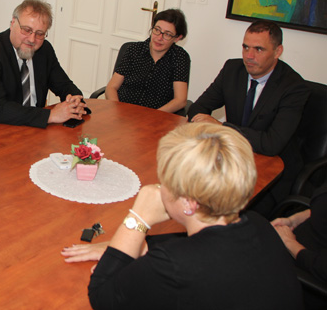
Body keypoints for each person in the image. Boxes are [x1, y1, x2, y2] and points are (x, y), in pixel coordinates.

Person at [62, 123, 303, 309]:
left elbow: (102, 296)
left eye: (165, 180)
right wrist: (132, 247)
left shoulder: (173, 265)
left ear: (189, 202)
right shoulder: (260, 224)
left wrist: (138, 218)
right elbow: (202, 244)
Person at [187, 19, 309, 210]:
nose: (249, 56)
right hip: (231, 162)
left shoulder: (294, 87)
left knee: (222, 212)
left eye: (259, 49)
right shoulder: (232, 70)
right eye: (245, 47)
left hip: (272, 175)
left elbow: (271, 144)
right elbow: (197, 108)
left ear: (277, 51)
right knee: (187, 195)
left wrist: (222, 128)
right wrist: (207, 123)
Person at [0, 0, 86, 130]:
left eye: (40, 34)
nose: (32, 39)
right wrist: (50, 115)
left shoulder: (44, 50)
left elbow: (64, 85)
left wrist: (75, 102)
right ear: (12, 23)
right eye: (26, 30)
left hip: (30, 128)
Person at [105, 8, 190, 114]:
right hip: (123, 112)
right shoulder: (133, 50)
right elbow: (111, 87)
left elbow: (180, 100)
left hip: (158, 116)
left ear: (177, 38)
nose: (159, 38)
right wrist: (116, 110)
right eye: (157, 30)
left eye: (167, 34)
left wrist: (152, 116)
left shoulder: (180, 57)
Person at [272, 185, 327, 309]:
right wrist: (294, 220)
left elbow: (322, 268)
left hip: (305, 277)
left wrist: (290, 243)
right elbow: (321, 209)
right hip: (297, 241)